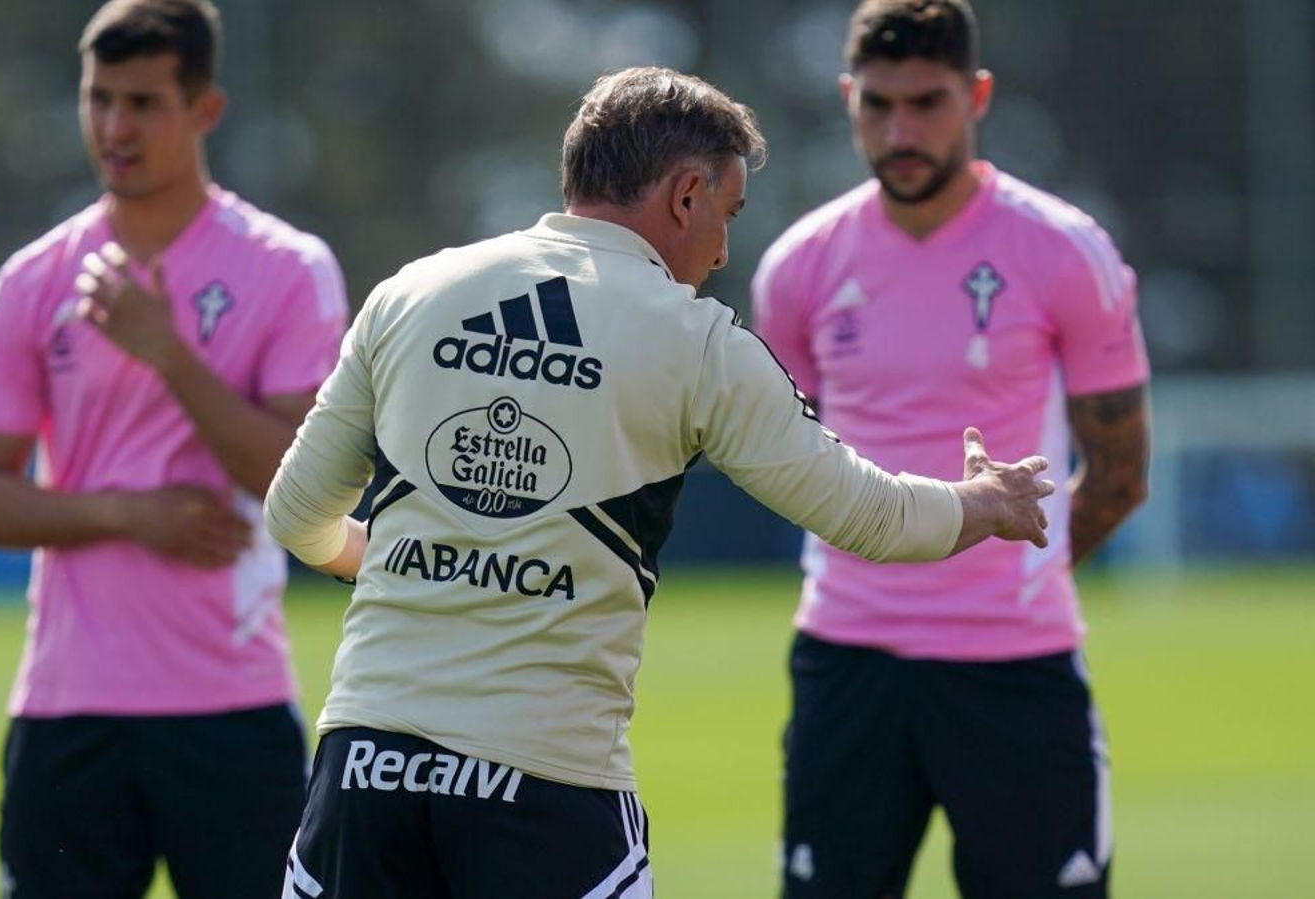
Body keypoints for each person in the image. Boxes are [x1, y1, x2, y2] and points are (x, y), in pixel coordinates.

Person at [263, 65, 1055, 899]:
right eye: (727, 214)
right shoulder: (696, 341)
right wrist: (986, 501)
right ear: (686, 195)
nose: (722, 252)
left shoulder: (409, 293)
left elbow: (295, 514)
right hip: (546, 786)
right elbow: (872, 516)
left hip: (363, 774)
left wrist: (380, 557)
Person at [750, 2, 1152, 897]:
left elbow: (1121, 476)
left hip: (1016, 668)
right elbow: (783, 460)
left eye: (927, 102)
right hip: (847, 665)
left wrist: (1012, 578)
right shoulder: (799, 266)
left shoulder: (1063, 250)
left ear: (976, 97)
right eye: (879, 104)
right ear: (849, 99)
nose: (901, 131)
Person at [0, 1, 348, 895]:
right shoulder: (33, 279)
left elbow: (300, 481)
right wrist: (130, 513)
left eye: (143, 103)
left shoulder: (287, 267)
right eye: (98, 99)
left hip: (232, 703)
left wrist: (167, 350)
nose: (114, 128)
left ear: (205, 108)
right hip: (68, 708)